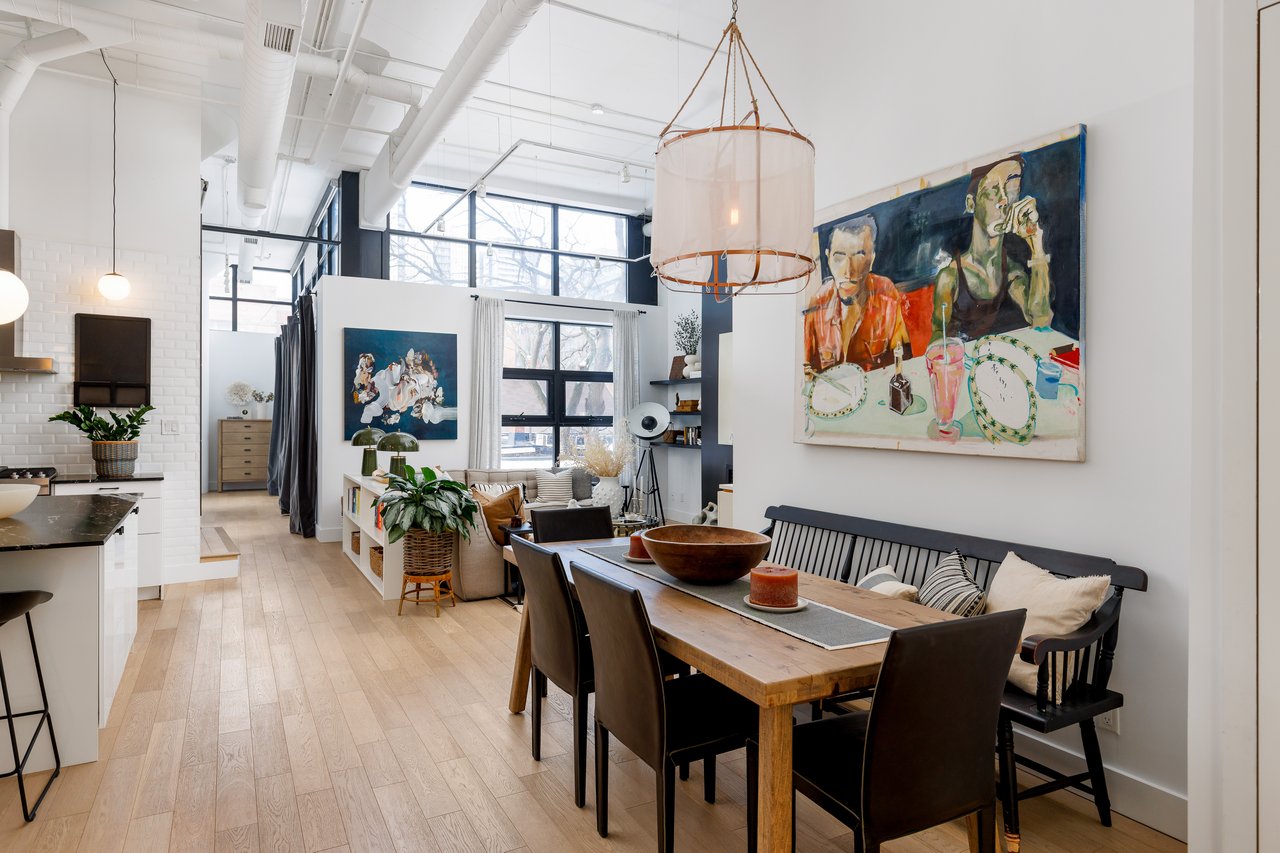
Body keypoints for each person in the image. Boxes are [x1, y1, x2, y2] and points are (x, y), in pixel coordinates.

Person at [931, 157, 1053, 341]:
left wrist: (1036, 244)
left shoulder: (1012, 272)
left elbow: (1041, 322)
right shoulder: (950, 277)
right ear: (971, 204)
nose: (1004, 200)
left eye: (1012, 190)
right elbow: (937, 339)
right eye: (992, 190)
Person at [802, 215, 911, 373]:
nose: (848, 272)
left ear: (871, 259)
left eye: (859, 257)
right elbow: (804, 372)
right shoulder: (817, 304)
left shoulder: (886, 294)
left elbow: (903, 360)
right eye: (839, 258)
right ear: (828, 258)